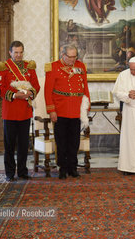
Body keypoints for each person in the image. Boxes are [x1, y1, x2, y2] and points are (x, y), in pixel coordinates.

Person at [44, 44, 90, 179]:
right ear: (62, 54)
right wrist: (51, 110)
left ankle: (72, 167)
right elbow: (48, 92)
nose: (72, 60)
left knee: (74, 142)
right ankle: (62, 168)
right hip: (60, 110)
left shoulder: (81, 66)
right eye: (69, 57)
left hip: (76, 110)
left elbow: (85, 87)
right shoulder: (53, 67)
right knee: (62, 142)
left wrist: (86, 105)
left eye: (74, 56)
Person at [0, 41, 40, 181]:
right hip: (10, 110)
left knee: (23, 144)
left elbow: (36, 86)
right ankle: (9, 173)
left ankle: (22, 171)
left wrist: (29, 93)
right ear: (10, 52)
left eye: (21, 52)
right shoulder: (4, 67)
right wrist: (15, 95)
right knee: (9, 144)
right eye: (16, 52)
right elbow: (1, 88)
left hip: (25, 111)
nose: (19, 55)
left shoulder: (29, 67)